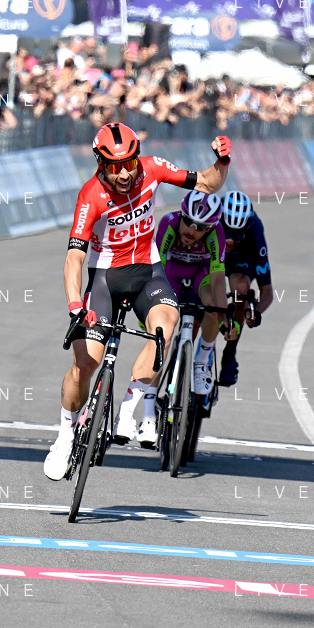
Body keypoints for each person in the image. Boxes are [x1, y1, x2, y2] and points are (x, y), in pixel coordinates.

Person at [44, 123, 232, 481]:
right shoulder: (91, 195)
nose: (126, 174)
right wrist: (75, 305)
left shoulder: (152, 169)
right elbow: (74, 258)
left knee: (165, 328)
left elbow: (208, 183)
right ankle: (65, 435)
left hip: (148, 272)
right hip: (105, 278)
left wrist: (222, 161)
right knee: (85, 364)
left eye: (130, 163)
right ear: (101, 165)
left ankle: (129, 407)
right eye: (116, 167)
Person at [112, 191, 228, 446]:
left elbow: (218, 278)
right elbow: (156, 270)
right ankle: (148, 415)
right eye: (189, 222)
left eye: (201, 227)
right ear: (182, 216)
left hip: (200, 275)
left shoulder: (217, 233)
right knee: (160, 338)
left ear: (210, 228)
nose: (192, 231)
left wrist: (222, 314)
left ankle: (201, 360)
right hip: (169, 274)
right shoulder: (169, 223)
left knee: (213, 303)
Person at [218, 190, 273, 385]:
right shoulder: (210, 221)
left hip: (240, 260)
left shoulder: (255, 230)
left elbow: (267, 291)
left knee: (240, 290)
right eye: (227, 233)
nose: (230, 240)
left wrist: (255, 312)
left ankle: (229, 353)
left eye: (237, 235)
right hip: (212, 253)